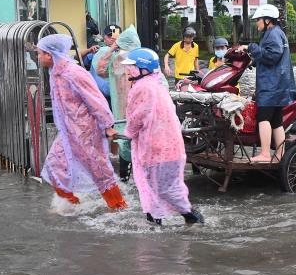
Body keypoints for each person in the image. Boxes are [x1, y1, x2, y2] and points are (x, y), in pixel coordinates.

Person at [36, 33, 128, 210]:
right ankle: (72, 204)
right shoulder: (56, 72)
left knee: (99, 169)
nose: (38, 58)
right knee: (55, 165)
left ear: (49, 54)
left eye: (40, 53)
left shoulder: (73, 72)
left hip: (87, 130)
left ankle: (119, 206)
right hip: (69, 131)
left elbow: (96, 99)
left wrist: (107, 126)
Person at [121, 47, 204, 226]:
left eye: (132, 67)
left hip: (157, 148)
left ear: (142, 69)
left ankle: (192, 218)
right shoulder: (156, 84)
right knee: (160, 187)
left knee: (164, 188)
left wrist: (125, 133)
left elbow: (136, 118)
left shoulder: (142, 88)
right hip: (169, 146)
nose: (128, 70)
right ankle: (158, 223)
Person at [240, 4, 295, 163]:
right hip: (278, 85)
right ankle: (279, 155)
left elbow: (272, 56)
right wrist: (255, 60)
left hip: (271, 86)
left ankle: (265, 154)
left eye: (258, 20)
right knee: (277, 121)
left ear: (267, 20)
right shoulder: (277, 33)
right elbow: (269, 57)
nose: (257, 23)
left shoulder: (272, 34)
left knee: (263, 117)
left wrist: (251, 47)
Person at [96, 25, 143, 168]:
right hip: (122, 110)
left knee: (138, 142)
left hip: (140, 109)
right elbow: (100, 71)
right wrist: (111, 49)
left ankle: (133, 178)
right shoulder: (116, 60)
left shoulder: (143, 59)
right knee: (124, 140)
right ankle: (126, 177)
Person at [89, 24, 120, 105]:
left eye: (116, 36)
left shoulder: (123, 52)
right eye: (110, 36)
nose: (113, 39)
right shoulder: (98, 50)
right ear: (104, 37)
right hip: (102, 95)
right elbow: (78, 58)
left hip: (114, 94)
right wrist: (89, 50)